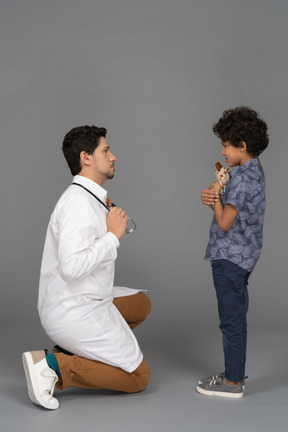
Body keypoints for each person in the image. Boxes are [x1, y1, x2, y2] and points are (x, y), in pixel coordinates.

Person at [22, 125, 151, 410]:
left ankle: (77, 349)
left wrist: (109, 222)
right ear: (86, 158)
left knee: (141, 304)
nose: (114, 156)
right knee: (139, 376)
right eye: (106, 150)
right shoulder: (77, 204)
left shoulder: (91, 197)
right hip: (72, 308)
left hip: (78, 298)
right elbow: (71, 267)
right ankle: (53, 365)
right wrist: (112, 236)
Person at [196, 107, 269, 398]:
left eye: (226, 145)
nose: (223, 150)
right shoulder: (251, 171)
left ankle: (233, 383)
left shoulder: (242, 179)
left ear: (243, 146)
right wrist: (217, 188)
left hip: (230, 257)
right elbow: (229, 200)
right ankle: (234, 374)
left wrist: (214, 200)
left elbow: (225, 222)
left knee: (231, 319)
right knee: (235, 315)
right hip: (244, 256)